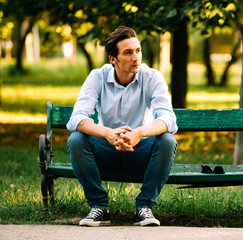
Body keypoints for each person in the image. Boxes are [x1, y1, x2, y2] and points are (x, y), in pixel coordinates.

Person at [66, 26, 178, 227]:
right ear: (113, 59)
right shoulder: (97, 77)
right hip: (105, 153)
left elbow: (168, 119)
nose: (136, 57)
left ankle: (144, 208)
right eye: (128, 52)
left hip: (140, 152)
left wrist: (139, 133)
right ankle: (99, 207)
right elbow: (77, 118)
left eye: (138, 50)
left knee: (168, 140)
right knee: (76, 139)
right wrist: (107, 133)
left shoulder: (152, 77)